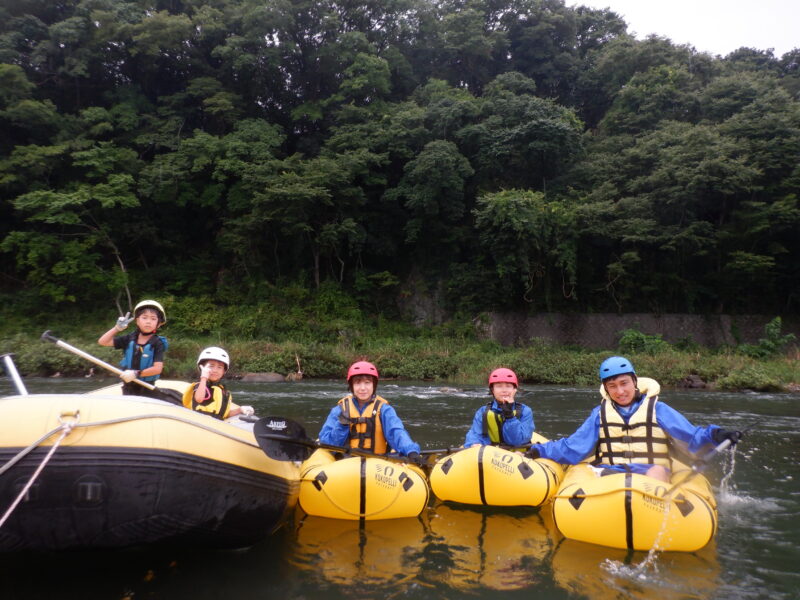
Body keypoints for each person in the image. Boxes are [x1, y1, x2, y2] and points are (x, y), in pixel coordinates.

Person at [525, 356, 742, 482]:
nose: (620, 391)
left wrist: (717, 434)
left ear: (635, 382)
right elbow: (575, 447)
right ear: (606, 389)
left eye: (624, 383)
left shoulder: (659, 409)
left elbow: (692, 435)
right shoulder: (599, 414)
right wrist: (540, 450)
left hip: (651, 471)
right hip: (611, 471)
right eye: (612, 386)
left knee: (657, 471)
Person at [318, 361, 422, 462]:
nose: (363, 388)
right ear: (351, 386)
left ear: (374, 385)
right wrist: (342, 425)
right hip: (346, 464)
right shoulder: (339, 410)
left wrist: (411, 451)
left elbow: (396, 432)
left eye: (367, 383)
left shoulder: (384, 409)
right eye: (358, 383)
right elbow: (327, 444)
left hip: (377, 465)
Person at [98, 299, 168, 398]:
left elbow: (157, 369)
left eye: (153, 319)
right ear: (137, 321)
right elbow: (102, 341)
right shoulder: (129, 339)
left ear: (159, 323)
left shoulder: (157, 343)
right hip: (128, 388)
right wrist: (117, 328)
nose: (148, 322)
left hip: (147, 389)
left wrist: (136, 373)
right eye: (144, 318)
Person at [464, 367, 535, 448]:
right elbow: (475, 434)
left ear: (514, 389)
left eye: (508, 386)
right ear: (492, 390)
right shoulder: (483, 412)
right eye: (499, 386)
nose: (504, 390)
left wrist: (509, 416)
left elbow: (517, 441)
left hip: (517, 454)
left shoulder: (525, 411)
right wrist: (474, 443)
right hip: (492, 455)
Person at [182, 347, 254, 420]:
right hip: (200, 423)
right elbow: (199, 399)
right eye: (211, 366)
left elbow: (223, 415)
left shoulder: (223, 391)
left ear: (224, 371)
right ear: (202, 368)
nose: (215, 370)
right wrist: (204, 377)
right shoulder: (201, 386)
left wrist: (240, 410)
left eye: (219, 367)